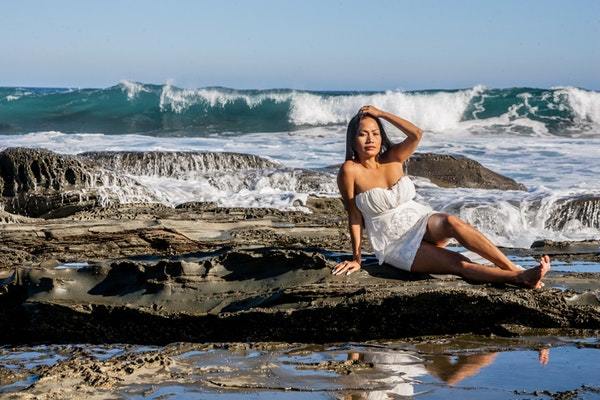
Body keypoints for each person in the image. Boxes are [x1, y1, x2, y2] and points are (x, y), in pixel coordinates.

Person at [332, 105, 550, 288]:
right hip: (394, 242)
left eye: (375, 133)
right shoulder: (350, 170)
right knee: (458, 263)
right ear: (353, 139)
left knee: (451, 221)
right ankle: (519, 278)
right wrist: (357, 259)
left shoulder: (393, 157)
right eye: (363, 134)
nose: (370, 139)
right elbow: (354, 216)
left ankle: (510, 267)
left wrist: (382, 114)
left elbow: (416, 134)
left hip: (419, 220)